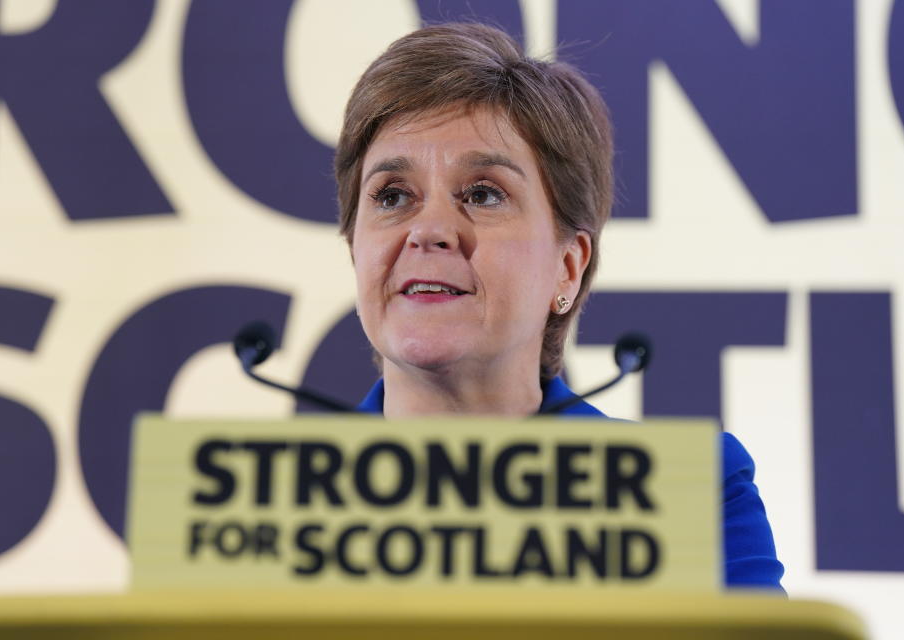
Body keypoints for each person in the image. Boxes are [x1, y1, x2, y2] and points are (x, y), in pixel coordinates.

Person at [334, 22, 783, 590]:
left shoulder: (682, 493)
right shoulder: (260, 502)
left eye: (482, 193)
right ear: (356, 250)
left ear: (568, 266)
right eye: (392, 196)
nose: (429, 231)